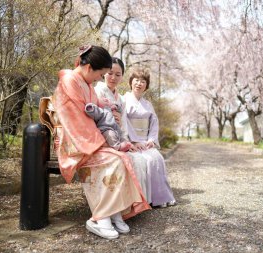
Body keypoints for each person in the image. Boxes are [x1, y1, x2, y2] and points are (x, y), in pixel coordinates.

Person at [52, 45, 150, 240]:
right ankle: (100, 217)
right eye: (101, 74)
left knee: (123, 158)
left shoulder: (85, 83)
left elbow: (99, 105)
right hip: (75, 142)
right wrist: (102, 142)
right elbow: (75, 121)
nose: (100, 79)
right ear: (89, 69)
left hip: (88, 138)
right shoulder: (69, 82)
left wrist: (109, 108)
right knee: (112, 161)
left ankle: (115, 211)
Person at [94, 57, 149, 202]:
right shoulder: (96, 92)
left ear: (122, 77)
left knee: (139, 159)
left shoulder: (121, 99)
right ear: (103, 73)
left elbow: (123, 123)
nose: (113, 77)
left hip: (118, 138)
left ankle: (132, 203)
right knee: (126, 160)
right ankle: (117, 205)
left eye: (118, 75)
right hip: (102, 138)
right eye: (110, 73)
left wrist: (127, 141)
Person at [123, 68, 176, 208]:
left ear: (146, 85)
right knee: (144, 161)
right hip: (132, 142)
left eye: (143, 81)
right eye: (136, 80)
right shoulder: (124, 100)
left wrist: (151, 140)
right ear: (130, 82)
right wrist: (133, 140)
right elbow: (123, 123)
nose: (139, 83)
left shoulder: (148, 104)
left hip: (146, 142)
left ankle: (159, 197)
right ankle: (145, 199)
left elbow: (154, 123)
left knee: (157, 158)